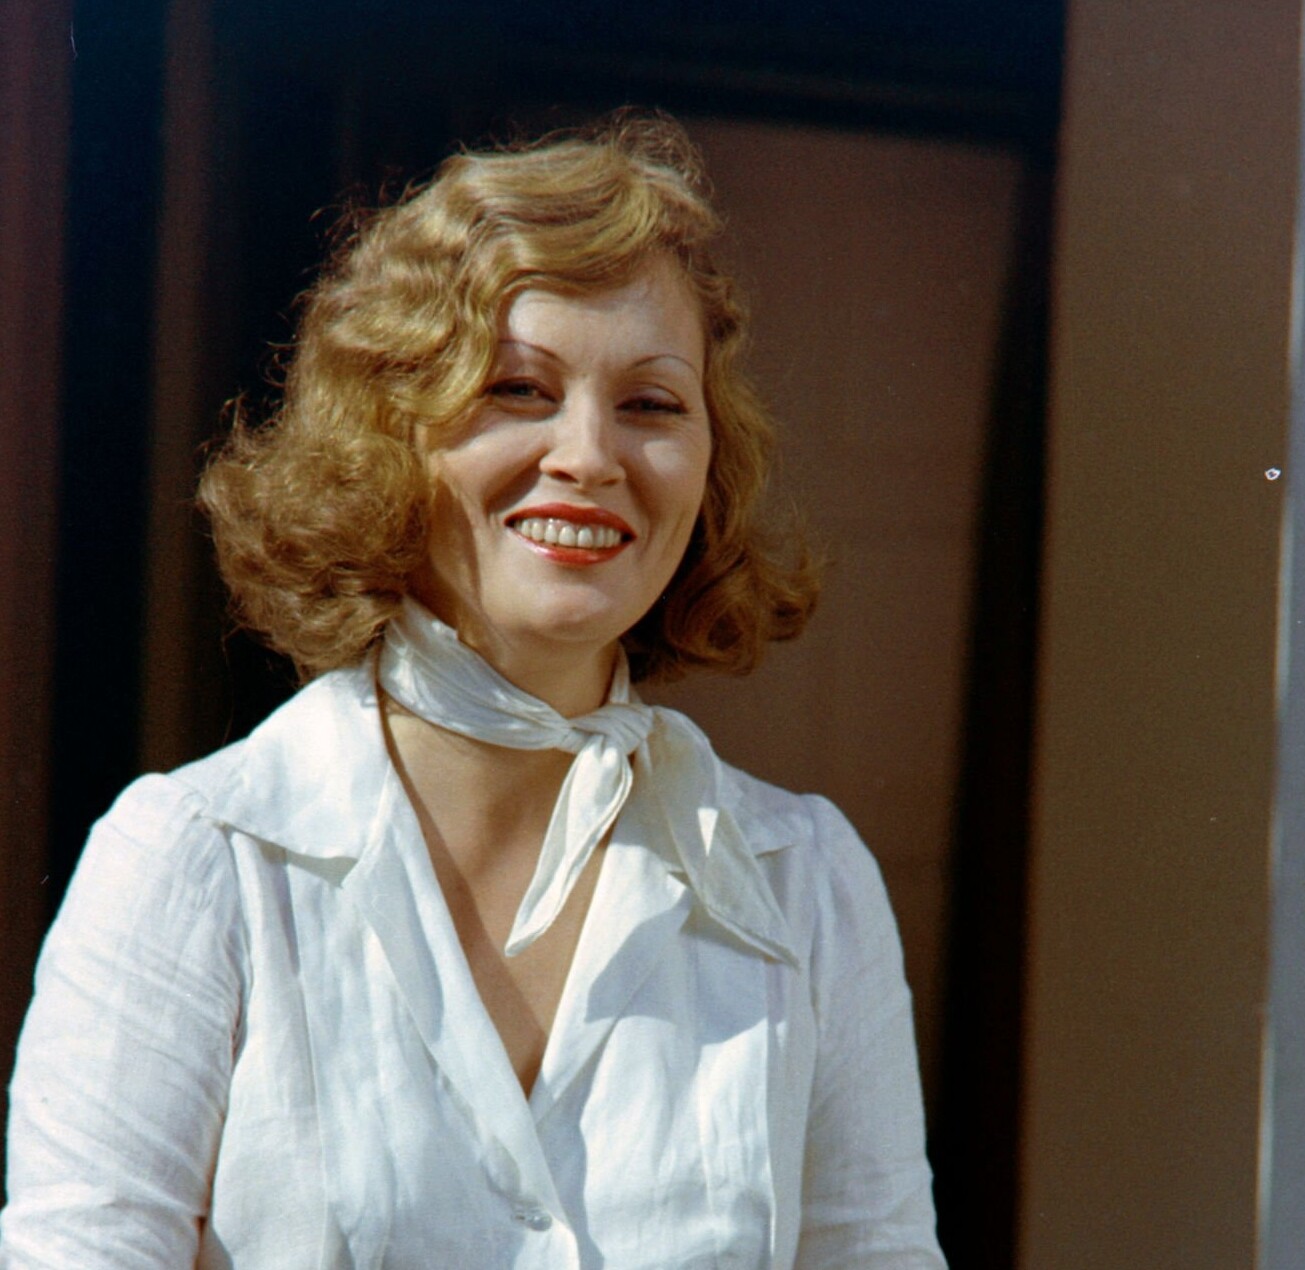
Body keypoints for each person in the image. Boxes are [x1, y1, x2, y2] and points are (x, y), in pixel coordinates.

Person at [1, 114, 946, 1268]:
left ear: (710, 464)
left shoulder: (805, 888)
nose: (587, 454)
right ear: (387, 434)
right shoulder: (198, 865)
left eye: (650, 404)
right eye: (516, 388)